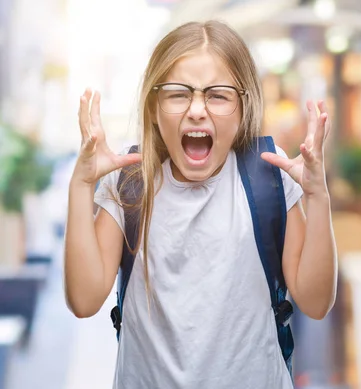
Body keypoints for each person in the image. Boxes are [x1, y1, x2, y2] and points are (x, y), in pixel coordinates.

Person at [63, 20, 338, 389]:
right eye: (178, 93)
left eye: (217, 95)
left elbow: (316, 302)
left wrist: (317, 196)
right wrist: (81, 185)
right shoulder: (130, 183)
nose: (196, 109)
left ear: (244, 106)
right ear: (154, 106)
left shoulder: (269, 176)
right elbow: (83, 300)